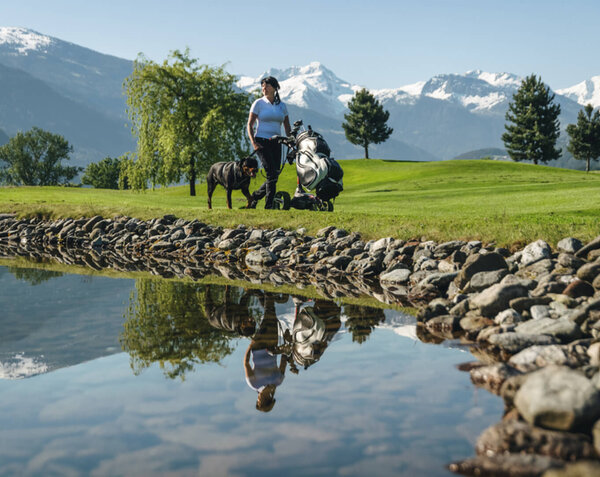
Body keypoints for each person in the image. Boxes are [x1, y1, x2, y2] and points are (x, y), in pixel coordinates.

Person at [247, 76, 292, 209]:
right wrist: (254, 143)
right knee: (271, 173)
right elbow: (249, 124)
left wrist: (290, 141)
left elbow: (287, 126)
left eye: (267, 86)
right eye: (262, 86)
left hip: (277, 142)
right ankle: (269, 206)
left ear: (275, 88)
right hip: (261, 142)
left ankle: (254, 197)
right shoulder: (258, 103)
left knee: (274, 174)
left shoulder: (282, 106)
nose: (264, 89)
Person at [243, 292, 288, 412]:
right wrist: (286, 348)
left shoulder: (253, 384)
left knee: (269, 315)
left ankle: (268, 292)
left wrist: (251, 345)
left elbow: (246, 363)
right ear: (267, 399)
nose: (258, 398)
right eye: (260, 401)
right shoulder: (278, 380)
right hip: (272, 344)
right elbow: (284, 360)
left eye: (257, 401)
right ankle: (266, 293)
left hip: (257, 346)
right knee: (270, 315)